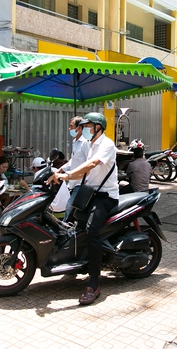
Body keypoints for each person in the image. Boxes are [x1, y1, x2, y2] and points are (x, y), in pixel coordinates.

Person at [49, 112, 119, 306]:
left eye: (87, 126)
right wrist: (59, 171)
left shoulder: (106, 145)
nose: (84, 129)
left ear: (98, 127)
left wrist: (69, 175)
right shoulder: (88, 144)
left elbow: (92, 163)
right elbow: (80, 162)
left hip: (105, 195)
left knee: (91, 231)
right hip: (90, 192)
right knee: (72, 227)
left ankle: (94, 282)